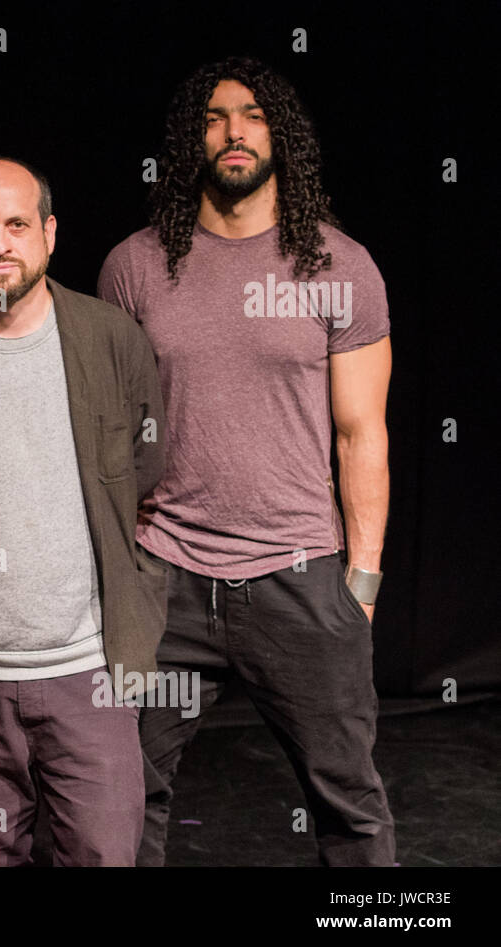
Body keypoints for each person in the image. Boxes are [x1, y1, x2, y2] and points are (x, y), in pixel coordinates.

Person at [97, 56, 395, 866]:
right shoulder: (134, 266)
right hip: (168, 583)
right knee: (126, 799)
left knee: (351, 803)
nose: (234, 132)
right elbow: (114, 436)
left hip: (300, 579)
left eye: (255, 115)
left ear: (282, 137)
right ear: (192, 140)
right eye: (215, 117)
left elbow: (362, 433)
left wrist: (360, 585)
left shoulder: (341, 268)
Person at [0, 158, 168, 866]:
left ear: (49, 232)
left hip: (89, 674)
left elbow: (146, 472)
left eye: (15, 225)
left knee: (104, 856)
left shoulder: (111, 339)